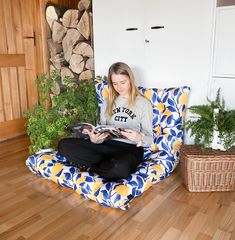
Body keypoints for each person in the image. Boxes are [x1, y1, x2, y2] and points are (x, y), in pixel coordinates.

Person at [58, 62, 153, 181]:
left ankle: (93, 167)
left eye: (123, 82)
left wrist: (139, 138)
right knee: (64, 145)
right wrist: (95, 139)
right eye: (115, 83)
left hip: (130, 149)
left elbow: (150, 139)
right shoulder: (107, 102)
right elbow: (102, 131)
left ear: (131, 79)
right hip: (107, 146)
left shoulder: (144, 104)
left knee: (119, 168)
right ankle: (105, 166)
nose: (119, 87)